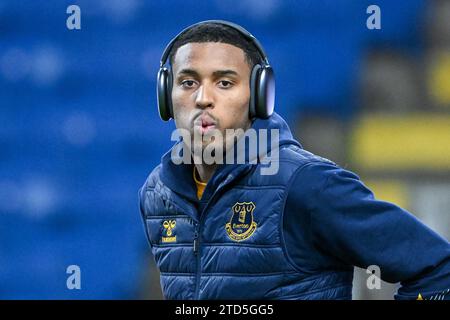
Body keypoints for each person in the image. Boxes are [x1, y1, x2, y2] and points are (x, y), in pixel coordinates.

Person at [139, 20, 450, 300]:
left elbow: (438, 269)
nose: (203, 98)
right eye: (188, 82)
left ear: (260, 96)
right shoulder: (158, 193)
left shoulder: (307, 183)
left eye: (225, 83)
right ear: (166, 95)